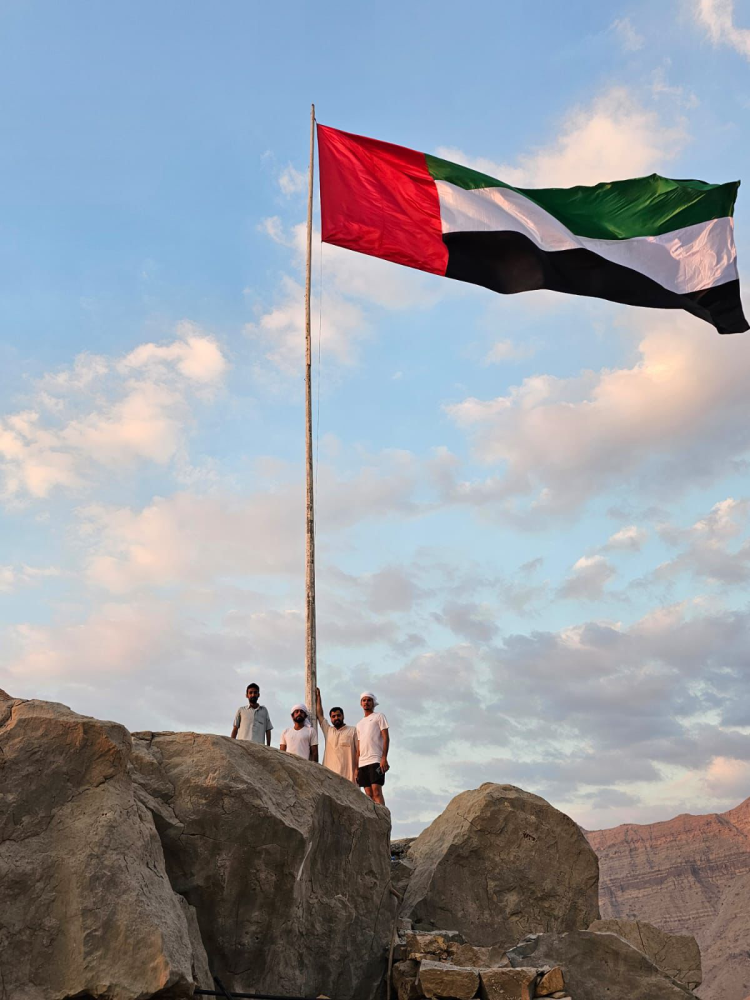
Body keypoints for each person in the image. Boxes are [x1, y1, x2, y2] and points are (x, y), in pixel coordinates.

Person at [315, 686, 358, 783]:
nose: (336, 718)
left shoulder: (353, 730)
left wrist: (357, 769)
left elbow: (358, 752)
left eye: (338, 715)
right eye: (333, 716)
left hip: (349, 777)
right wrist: (318, 697)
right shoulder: (328, 730)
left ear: (343, 716)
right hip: (329, 776)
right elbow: (319, 715)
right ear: (330, 719)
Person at [355, 691, 389, 806]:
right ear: (361, 703)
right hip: (362, 762)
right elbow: (359, 746)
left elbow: (386, 737)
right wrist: (356, 768)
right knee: (368, 795)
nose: (366, 702)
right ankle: (374, 820)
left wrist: (384, 758)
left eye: (369, 700)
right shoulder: (359, 724)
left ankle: (382, 820)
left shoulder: (379, 716)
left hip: (375, 759)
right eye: (364, 700)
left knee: (376, 792)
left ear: (373, 703)